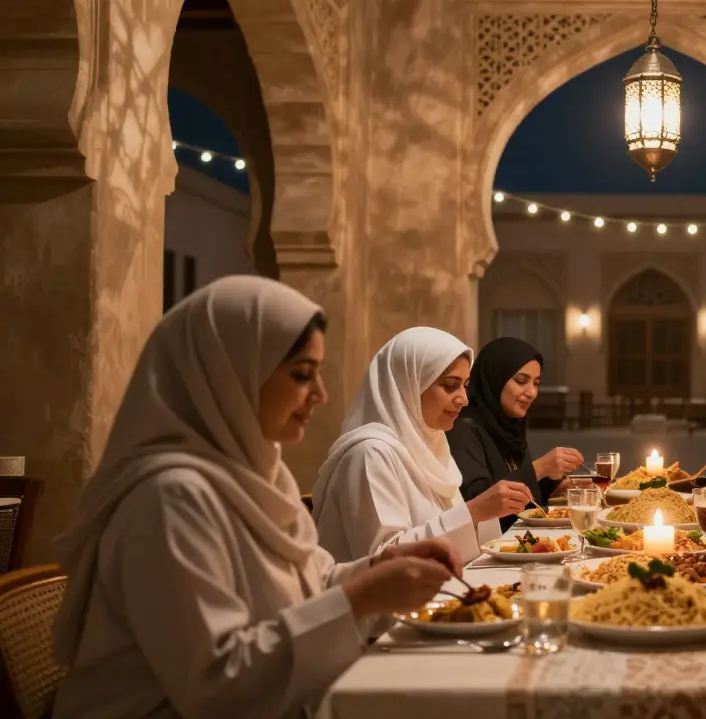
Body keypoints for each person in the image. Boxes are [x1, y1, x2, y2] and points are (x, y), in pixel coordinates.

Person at [50, 277, 462, 719]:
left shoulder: (260, 474)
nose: (320, 395)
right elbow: (217, 685)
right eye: (302, 374)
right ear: (228, 373)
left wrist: (380, 568)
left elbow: (312, 581)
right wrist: (360, 597)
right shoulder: (169, 499)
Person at [312, 328, 532, 564]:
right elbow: (382, 559)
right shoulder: (370, 453)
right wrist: (475, 511)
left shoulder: (431, 442)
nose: (464, 399)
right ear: (409, 384)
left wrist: (485, 512)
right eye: (450, 385)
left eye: (465, 386)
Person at [446, 337, 583, 531]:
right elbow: (477, 503)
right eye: (521, 381)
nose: (532, 392)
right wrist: (540, 468)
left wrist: (553, 487)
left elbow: (515, 482)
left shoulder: (508, 425)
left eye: (536, 383)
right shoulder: (463, 428)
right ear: (495, 379)